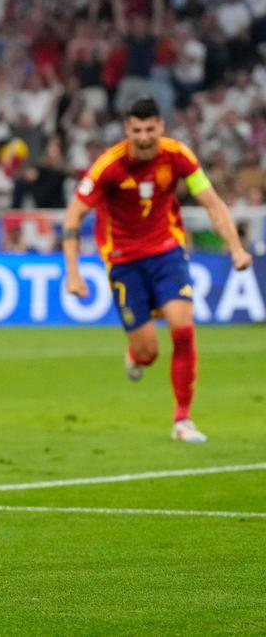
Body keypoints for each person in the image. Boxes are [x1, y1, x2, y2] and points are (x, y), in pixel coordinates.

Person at [63, 98, 253, 442]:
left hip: (167, 252)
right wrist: (73, 273)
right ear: (127, 130)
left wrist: (236, 248)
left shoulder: (177, 155)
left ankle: (182, 420)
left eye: (151, 129)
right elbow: (74, 215)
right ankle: (135, 355)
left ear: (161, 127)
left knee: (183, 328)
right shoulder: (109, 166)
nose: (145, 137)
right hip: (123, 259)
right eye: (137, 130)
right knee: (148, 352)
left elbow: (212, 202)